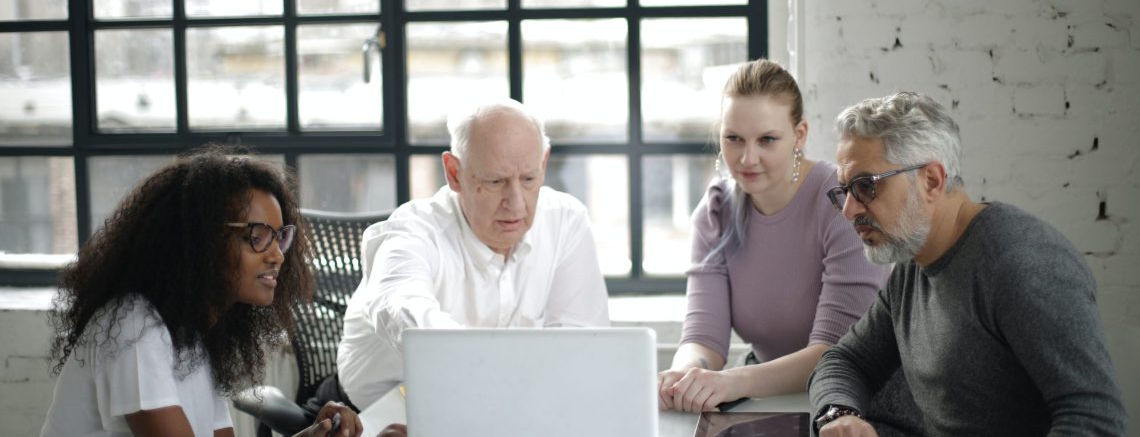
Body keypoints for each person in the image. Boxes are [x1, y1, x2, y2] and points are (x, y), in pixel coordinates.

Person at [809, 92, 1127, 435]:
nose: (848, 210)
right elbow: (846, 361)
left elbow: (1096, 419)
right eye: (844, 190)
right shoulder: (913, 265)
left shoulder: (1021, 263)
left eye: (865, 187)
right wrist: (839, 415)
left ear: (931, 180)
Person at [41, 146, 366, 437]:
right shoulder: (134, 326)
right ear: (200, 241)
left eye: (280, 237)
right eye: (257, 235)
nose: (277, 255)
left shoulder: (195, 337)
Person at [335, 98, 610, 410]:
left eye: (529, 179)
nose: (516, 204)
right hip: (376, 417)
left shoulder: (565, 220)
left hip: (498, 412)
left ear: (544, 163)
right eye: (495, 181)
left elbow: (580, 344)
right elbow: (399, 308)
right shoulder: (411, 231)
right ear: (454, 173)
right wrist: (493, 372)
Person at [657, 59, 890, 413]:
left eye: (767, 140)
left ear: (800, 135)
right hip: (769, 401)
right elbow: (704, 338)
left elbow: (834, 352)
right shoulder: (716, 209)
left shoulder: (841, 203)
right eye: (733, 139)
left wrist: (731, 381)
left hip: (851, 403)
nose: (748, 158)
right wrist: (684, 373)